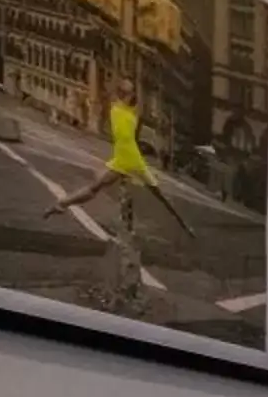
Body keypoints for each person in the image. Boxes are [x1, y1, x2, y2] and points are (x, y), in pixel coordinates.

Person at [45, 91, 194, 301]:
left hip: (121, 165)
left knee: (95, 190)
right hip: (126, 166)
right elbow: (163, 199)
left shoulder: (117, 112)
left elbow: (119, 102)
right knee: (123, 220)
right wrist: (185, 225)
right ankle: (126, 282)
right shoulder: (132, 138)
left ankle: (62, 204)